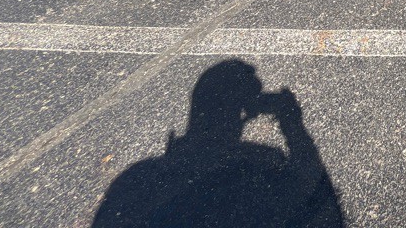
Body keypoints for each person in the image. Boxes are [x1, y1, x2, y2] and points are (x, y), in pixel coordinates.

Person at [92, 60, 343, 228]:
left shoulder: (138, 178)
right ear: (247, 111)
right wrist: (293, 124)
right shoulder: (260, 165)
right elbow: (321, 204)